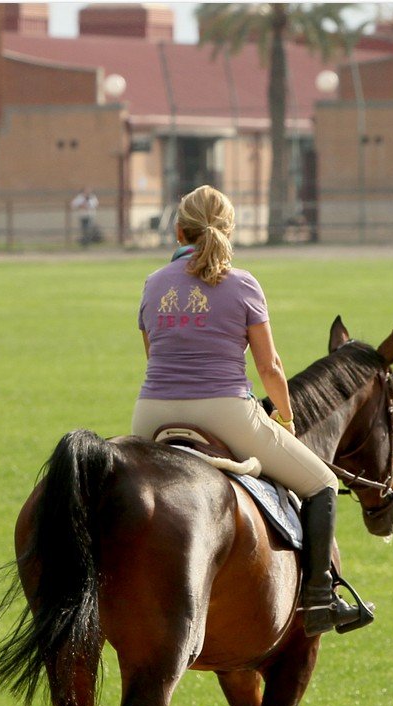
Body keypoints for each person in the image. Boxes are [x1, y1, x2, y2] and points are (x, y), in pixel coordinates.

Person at [131, 185, 368, 636]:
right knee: (322, 483)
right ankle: (320, 601)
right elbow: (270, 366)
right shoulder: (242, 283)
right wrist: (285, 417)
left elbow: (153, 355)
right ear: (228, 231)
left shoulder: (153, 283)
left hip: (150, 413)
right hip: (225, 410)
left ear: (179, 230)